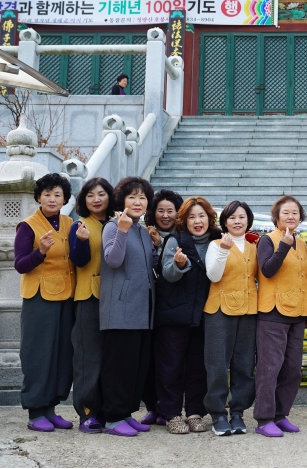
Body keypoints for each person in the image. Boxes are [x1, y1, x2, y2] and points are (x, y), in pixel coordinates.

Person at [15, 173, 76, 433]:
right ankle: (35, 411)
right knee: (39, 354)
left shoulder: (69, 222)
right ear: (38, 197)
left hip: (68, 295)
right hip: (40, 297)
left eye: (57, 194)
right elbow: (20, 264)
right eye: (47, 194)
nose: (52, 198)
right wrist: (40, 251)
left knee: (62, 355)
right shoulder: (28, 226)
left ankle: (51, 408)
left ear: (64, 199)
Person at [99, 176, 158, 437]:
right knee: (119, 367)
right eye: (132, 196)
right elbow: (113, 260)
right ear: (122, 199)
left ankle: (125, 413)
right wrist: (122, 230)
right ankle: (112, 417)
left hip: (143, 309)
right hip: (121, 308)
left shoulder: (142, 230)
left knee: (135, 365)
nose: (138, 201)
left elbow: (148, 267)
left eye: (142, 197)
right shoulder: (114, 226)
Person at [156, 197, 220, 435]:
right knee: (171, 366)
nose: (197, 221)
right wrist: (179, 264)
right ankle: (172, 414)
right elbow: (167, 274)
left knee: (198, 366)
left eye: (201, 216)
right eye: (192, 217)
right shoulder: (176, 240)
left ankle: (195, 412)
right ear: (184, 220)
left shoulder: (217, 240)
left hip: (206, 315)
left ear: (209, 218)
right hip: (175, 315)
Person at [254, 196, 307, 437]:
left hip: (297, 313)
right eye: (285, 213)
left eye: (295, 213)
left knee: (292, 369)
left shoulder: (303, 243)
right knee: (270, 368)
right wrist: (284, 246)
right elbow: (267, 270)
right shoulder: (267, 240)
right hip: (273, 312)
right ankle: (264, 418)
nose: (290, 217)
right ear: (276, 216)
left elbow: (304, 279)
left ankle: (280, 414)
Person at [203, 200, 259, 436]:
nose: (237, 221)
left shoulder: (254, 246)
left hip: (248, 310)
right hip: (219, 310)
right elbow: (213, 275)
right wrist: (225, 251)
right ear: (224, 221)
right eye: (232, 217)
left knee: (245, 365)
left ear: (249, 221)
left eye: (242, 217)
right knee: (217, 364)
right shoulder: (216, 244)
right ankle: (217, 415)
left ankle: (237, 413)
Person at [69, 177, 115, 434]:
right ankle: (87, 412)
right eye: (90, 195)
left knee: (111, 356)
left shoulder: (119, 223)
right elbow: (78, 260)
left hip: (116, 299)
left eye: (101, 194)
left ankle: (109, 409)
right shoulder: (80, 225)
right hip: (89, 297)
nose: (96, 199)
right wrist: (82, 241)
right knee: (88, 357)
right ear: (84, 200)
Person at [140, 189, 183, 427]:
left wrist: (161, 245)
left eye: (170, 211)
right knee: (148, 359)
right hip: (146, 304)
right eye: (160, 211)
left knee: (169, 360)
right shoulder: (144, 234)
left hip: (171, 307)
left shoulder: (182, 236)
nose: (165, 216)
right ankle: (151, 406)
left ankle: (167, 406)